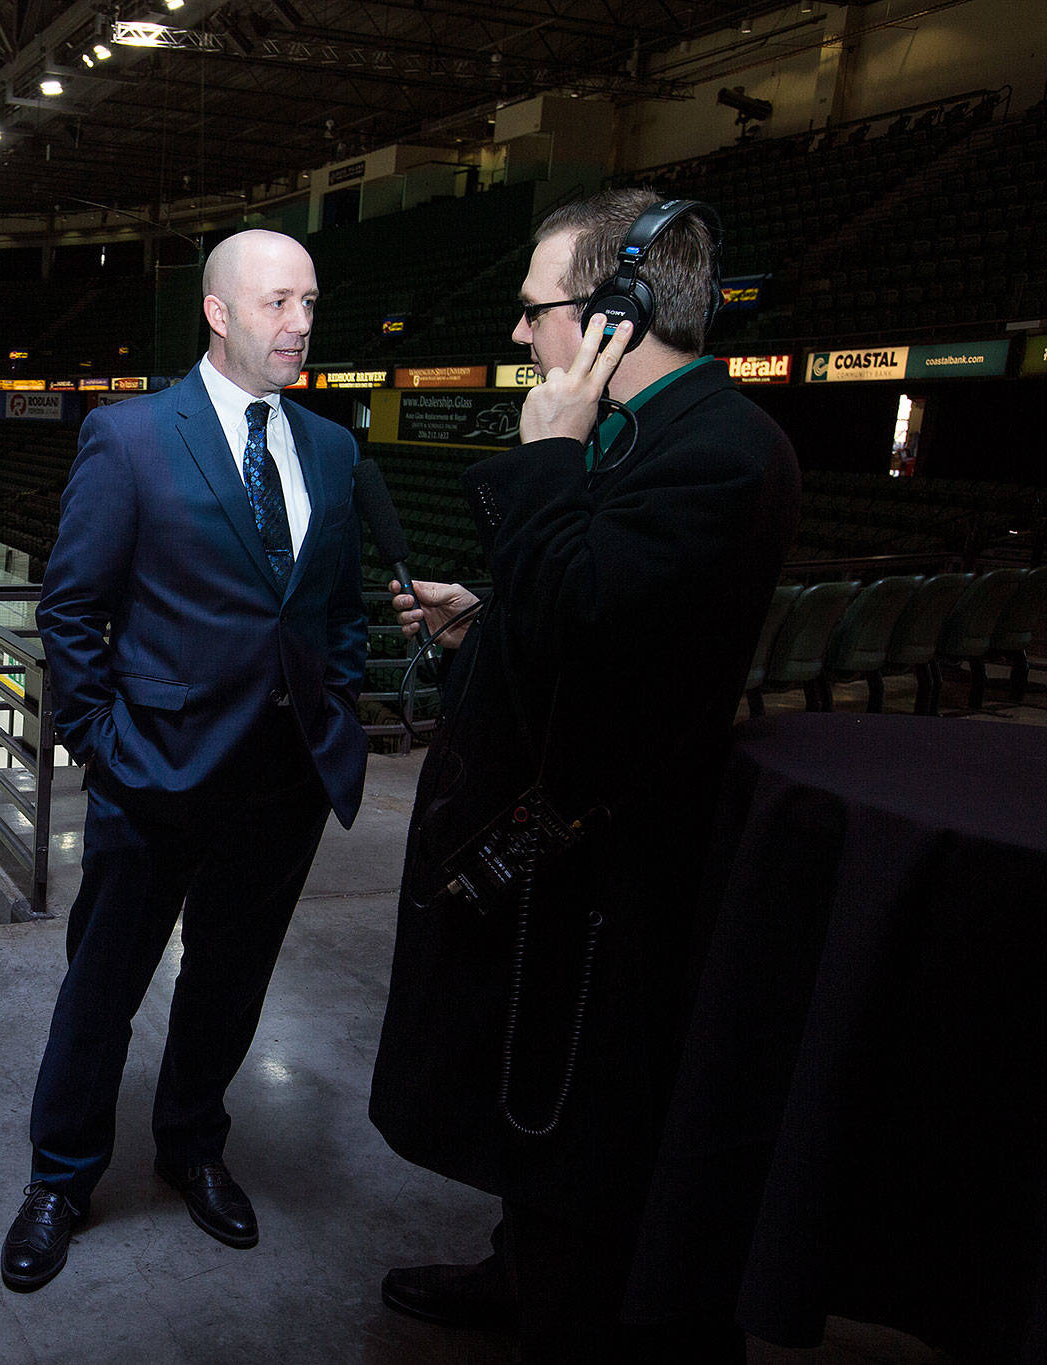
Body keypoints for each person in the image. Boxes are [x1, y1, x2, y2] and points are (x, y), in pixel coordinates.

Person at [368, 188, 801, 1359]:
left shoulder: (721, 450)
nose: (518, 336)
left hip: (603, 869)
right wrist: (490, 614)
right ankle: (520, 1274)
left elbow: (598, 621)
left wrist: (546, 454)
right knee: (526, 1098)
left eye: (533, 310)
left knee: (573, 1118)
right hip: (543, 844)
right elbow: (576, 601)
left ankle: (563, 1317)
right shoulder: (644, 433)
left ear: (612, 311)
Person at [0, 229, 372, 1292]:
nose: (297, 323)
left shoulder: (332, 449)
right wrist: (104, 748)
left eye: (307, 301)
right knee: (102, 987)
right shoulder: (129, 438)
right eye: (274, 303)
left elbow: (334, 612)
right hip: (152, 773)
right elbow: (70, 612)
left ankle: (191, 1145)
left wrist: (328, 710)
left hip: (281, 782)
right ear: (216, 312)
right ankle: (59, 1179)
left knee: (228, 982)